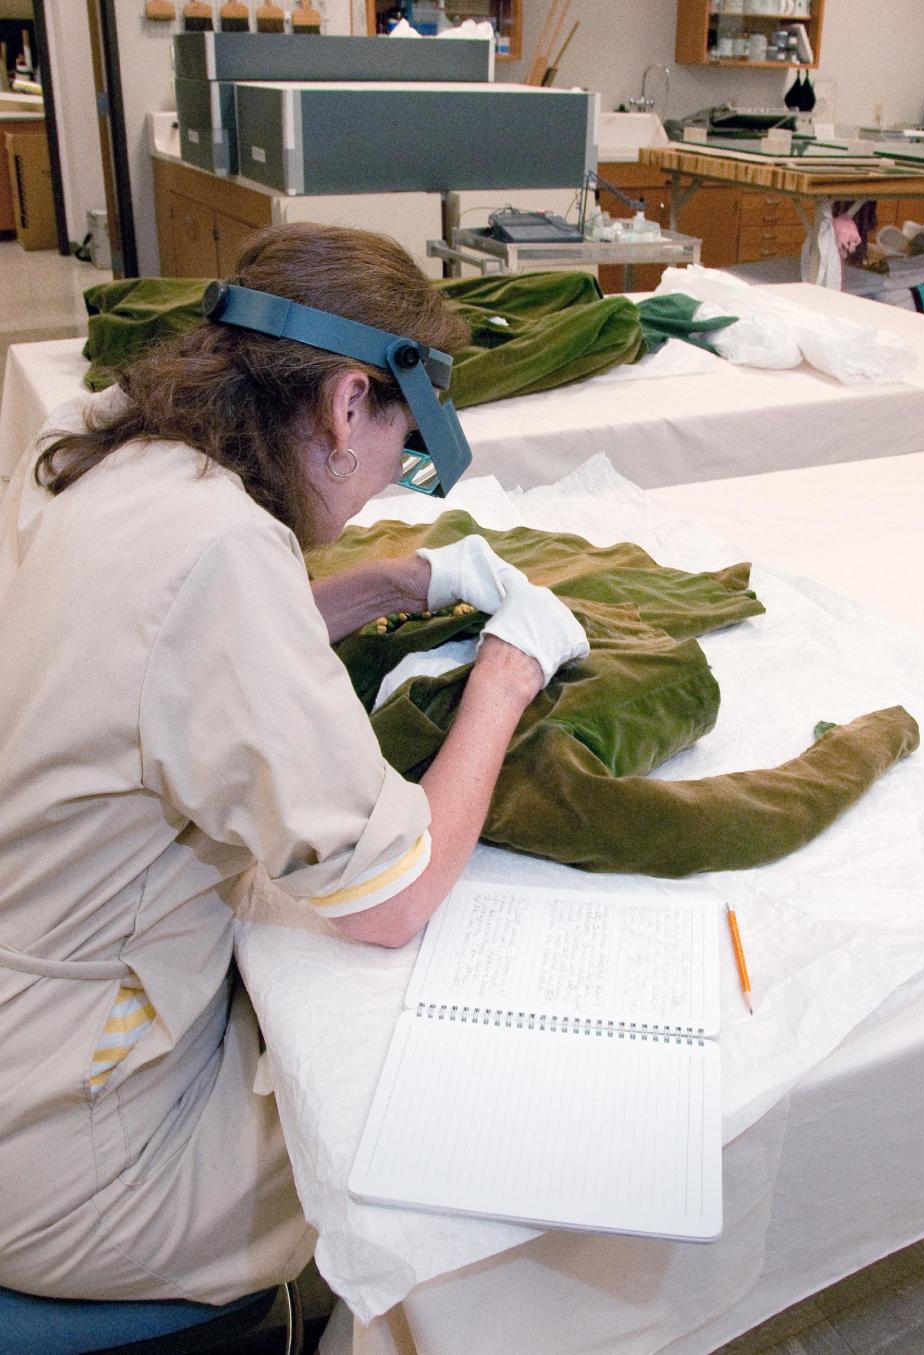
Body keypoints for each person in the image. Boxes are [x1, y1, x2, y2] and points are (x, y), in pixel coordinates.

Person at [0, 223, 587, 1305]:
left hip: (28, 1025)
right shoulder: (222, 549)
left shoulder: (111, 446)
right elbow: (392, 895)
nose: (378, 487)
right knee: (439, 1164)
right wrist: (510, 670)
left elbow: (171, 659)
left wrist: (393, 583)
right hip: (68, 1143)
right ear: (348, 400)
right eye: (397, 447)